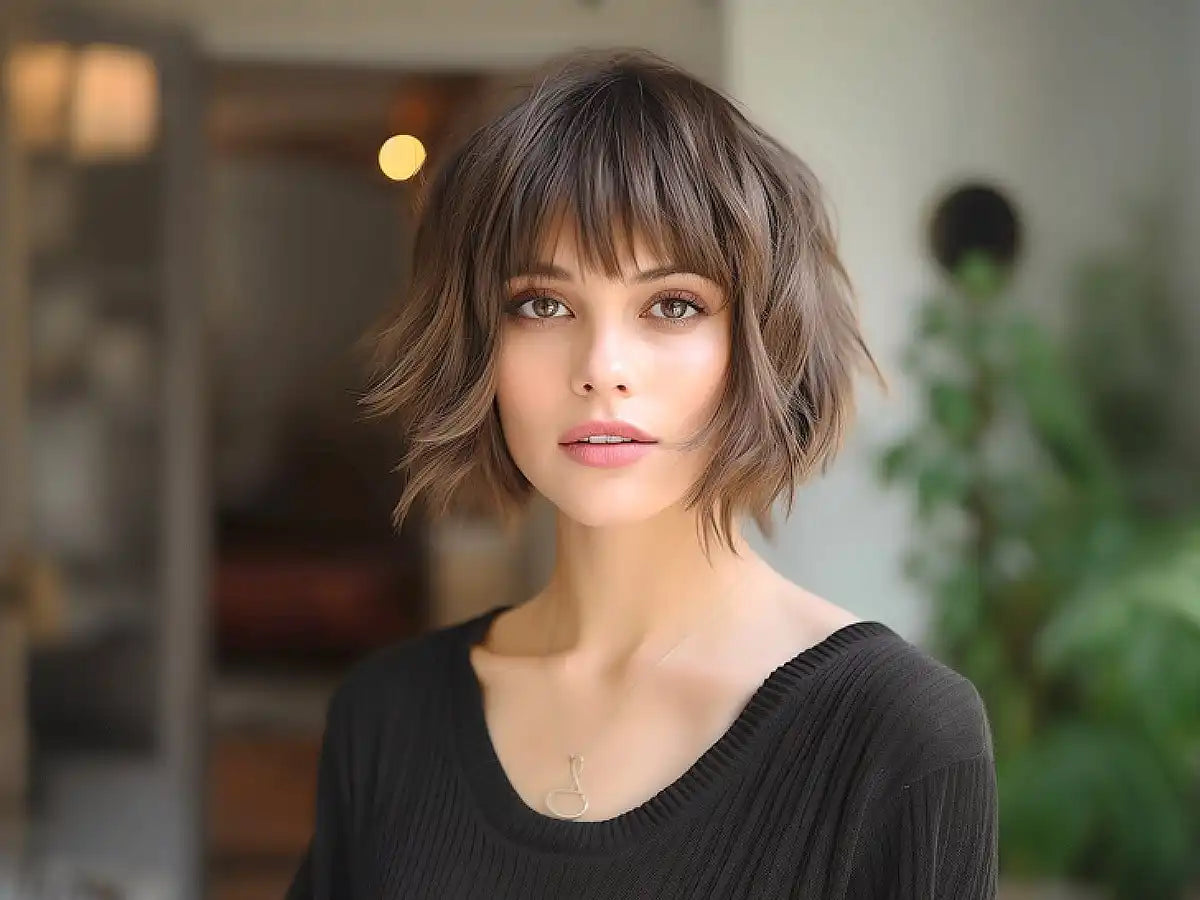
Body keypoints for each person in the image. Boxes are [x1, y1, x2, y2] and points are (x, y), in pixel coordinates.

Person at [287, 49, 998, 899]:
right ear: (479, 344)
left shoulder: (896, 733)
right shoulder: (387, 719)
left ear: (759, 345)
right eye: (542, 305)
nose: (602, 367)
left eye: (672, 306)